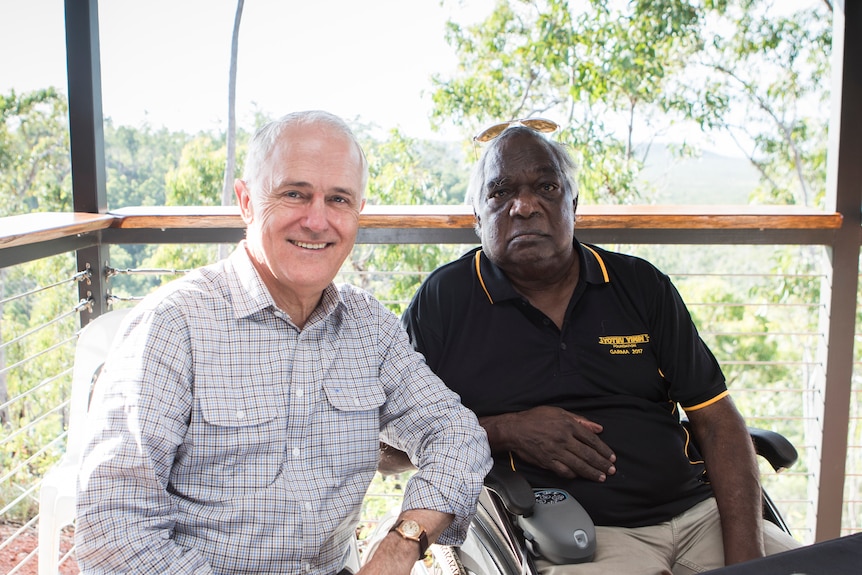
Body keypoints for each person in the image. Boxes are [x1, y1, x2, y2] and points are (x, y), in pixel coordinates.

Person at [75, 110, 492, 575]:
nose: (317, 221)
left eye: (338, 199)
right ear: (247, 201)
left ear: (358, 211)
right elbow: (113, 530)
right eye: (295, 194)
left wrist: (402, 544)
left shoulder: (369, 326)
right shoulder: (174, 326)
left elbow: (457, 435)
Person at [388, 120, 800, 574]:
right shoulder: (446, 301)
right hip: (576, 537)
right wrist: (505, 429)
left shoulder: (640, 286)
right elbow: (388, 450)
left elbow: (718, 420)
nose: (524, 206)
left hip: (702, 515)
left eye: (546, 186)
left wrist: (746, 563)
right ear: (476, 217)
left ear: (573, 205)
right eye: (500, 192)